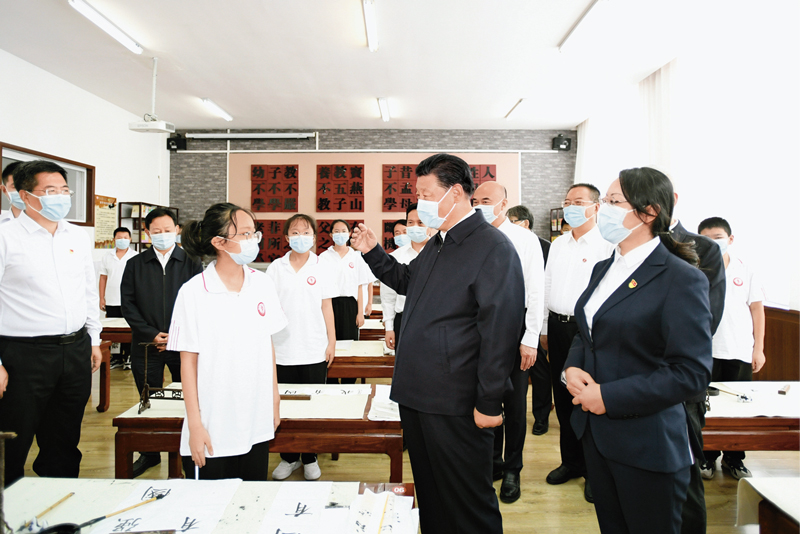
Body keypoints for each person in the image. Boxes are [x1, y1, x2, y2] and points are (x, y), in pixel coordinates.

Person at [350, 153, 525, 534]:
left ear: (456, 192)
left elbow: (500, 332)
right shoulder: (441, 242)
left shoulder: (492, 247)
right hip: (419, 394)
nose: (420, 202)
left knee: (467, 500)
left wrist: (489, 402)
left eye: (426, 194)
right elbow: (407, 281)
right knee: (431, 493)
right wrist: (373, 252)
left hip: (455, 400)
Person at [564, 167, 712, 534]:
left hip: (647, 443)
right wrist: (572, 368)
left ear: (648, 213)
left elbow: (691, 373)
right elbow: (588, 331)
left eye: (614, 202)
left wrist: (608, 397)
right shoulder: (604, 268)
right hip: (598, 436)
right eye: (605, 201)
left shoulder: (680, 278)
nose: (603, 209)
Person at [0, 160, 102, 486]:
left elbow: (88, 291)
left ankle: (61, 501)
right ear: (25, 195)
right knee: (13, 439)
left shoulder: (76, 235)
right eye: (50, 191)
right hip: (23, 355)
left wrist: (94, 339)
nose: (59, 197)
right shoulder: (6, 237)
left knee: (64, 439)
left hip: (75, 349)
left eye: (64, 190)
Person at [167, 203, 287, 480]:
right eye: (245, 234)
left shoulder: (263, 284)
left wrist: (274, 398)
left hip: (255, 418)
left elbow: (267, 345)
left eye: (254, 233)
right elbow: (188, 363)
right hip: (213, 423)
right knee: (210, 501)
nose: (253, 240)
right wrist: (195, 424)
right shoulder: (193, 292)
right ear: (219, 242)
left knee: (251, 497)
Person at [541, 183, 614, 503]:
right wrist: (544, 328)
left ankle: (594, 471)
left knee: (588, 399)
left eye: (578, 202)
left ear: (596, 207)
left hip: (589, 332)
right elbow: (547, 286)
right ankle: (570, 462)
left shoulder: (607, 244)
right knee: (563, 396)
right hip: (557, 328)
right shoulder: (558, 244)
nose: (571, 207)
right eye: (567, 202)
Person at [473, 182, 545, 504]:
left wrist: (530, 338)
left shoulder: (525, 239)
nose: (480, 205)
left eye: (486, 200)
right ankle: (493, 463)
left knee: (514, 404)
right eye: (476, 200)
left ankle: (513, 467)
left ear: (504, 204)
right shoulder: (471, 235)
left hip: (516, 328)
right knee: (487, 395)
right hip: (479, 330)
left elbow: (536, 290)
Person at [121, 207, 202, 477]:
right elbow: (128, 304)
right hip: (146, 346)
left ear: (177, 230)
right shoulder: (135, 264)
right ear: (147, 232)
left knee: (187, 397)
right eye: (156, 231)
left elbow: (199, 304)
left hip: (184, 345)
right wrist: (151, 334)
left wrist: (177, 336)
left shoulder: (191, 261)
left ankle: (187, 449)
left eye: (168, 230)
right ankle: (150, 453)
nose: (162, 234)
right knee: (149, 399)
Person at [670, 197, 726, 534]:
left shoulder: (704, 249)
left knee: (685, 475)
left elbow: (707, 319)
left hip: (679, 380)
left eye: (619, 200)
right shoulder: (622, 250)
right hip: (631, 383)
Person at [267, 214, 337, 481]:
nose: (300, 237)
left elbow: (326, 306)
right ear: (286, 237)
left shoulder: (322, 266)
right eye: (295, 232)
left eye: (306, 232)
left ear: (314, 237)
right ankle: (289, 457)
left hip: (313, 348)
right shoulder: (276, 268)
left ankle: (310, 457)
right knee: (284, 405)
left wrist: (331, 341)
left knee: (312, 405)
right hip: (282, 349)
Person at [698, 216, 765, 480]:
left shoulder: (745, 269)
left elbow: (757, 309)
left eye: (718, 238)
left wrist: (758, 348)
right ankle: (707, 457)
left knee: (738, 408)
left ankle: (734, 459)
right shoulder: (696, 269)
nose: (713, 243)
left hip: (739, 349)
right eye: (706, 239)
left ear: (730, 239)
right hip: (707, 350)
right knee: (707, 406)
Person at [507, 205, 553, 436]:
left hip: (539, 317)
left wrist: (541, 325)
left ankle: (541, 416)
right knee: (520, 375)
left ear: (525, 223)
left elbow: (544, 287)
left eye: (512, 221)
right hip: (517, 317)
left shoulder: (546, 247)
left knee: (541, 371)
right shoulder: (506, 243)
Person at [381, 206, 430, 352]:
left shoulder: (442, 252)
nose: (415, 227)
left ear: (430, 224)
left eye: (420, 223)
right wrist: (389, 328)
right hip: (403, 320)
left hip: (433, 320)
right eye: (410, 222)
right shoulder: (395, 257)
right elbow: (388, 297)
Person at [99, 226, 137, 370]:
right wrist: (101, 298)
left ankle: (128, 356)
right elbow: (103, 278)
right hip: (112, 300)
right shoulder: (107, 256)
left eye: (125, 238)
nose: (122, 240)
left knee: (129, 329)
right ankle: (116, 358)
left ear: (130, 239)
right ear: (114, 239)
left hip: (130, 301)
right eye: (119, 238)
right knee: (113, 331)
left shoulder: (135, 256)